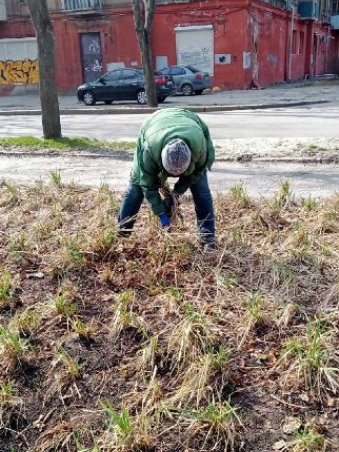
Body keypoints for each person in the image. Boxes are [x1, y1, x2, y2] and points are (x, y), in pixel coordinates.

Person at [117, 108, 216, 248]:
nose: (175, 177)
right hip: (153, 126)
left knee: (201, 191)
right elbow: (147, 184)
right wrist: (161, 212)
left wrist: (176, 193)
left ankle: (208, 240)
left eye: (180, 173)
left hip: (189, 121)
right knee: (135, 189)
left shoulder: (199, 149)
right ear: (160, 161)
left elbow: (197, 172)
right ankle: (122, 235)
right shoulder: (150, 150)